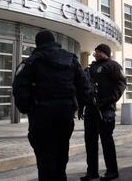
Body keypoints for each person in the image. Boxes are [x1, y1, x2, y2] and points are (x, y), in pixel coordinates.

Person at [12, 30, 92, 181]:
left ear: (38, 43)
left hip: (41, 116)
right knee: (61, 155)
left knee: (45, 159)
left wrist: (28, 109)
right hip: (65, 115)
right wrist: (79, 106)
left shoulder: (31, 61)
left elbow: (19, 88)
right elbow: (84, 86)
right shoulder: (72, 60)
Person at [79, 44, 127, 181]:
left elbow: (121, 84)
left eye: (99, 51)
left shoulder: (113, 66)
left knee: (107, 141)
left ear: (106, 53)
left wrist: (109, 100)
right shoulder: (90, 68)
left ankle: (112, 171)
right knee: (90, 142)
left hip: (105, 110)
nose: (96, 53)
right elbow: (85, 88)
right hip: (91, 110)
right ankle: (92, 172)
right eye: (95, 51)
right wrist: (82, 106)